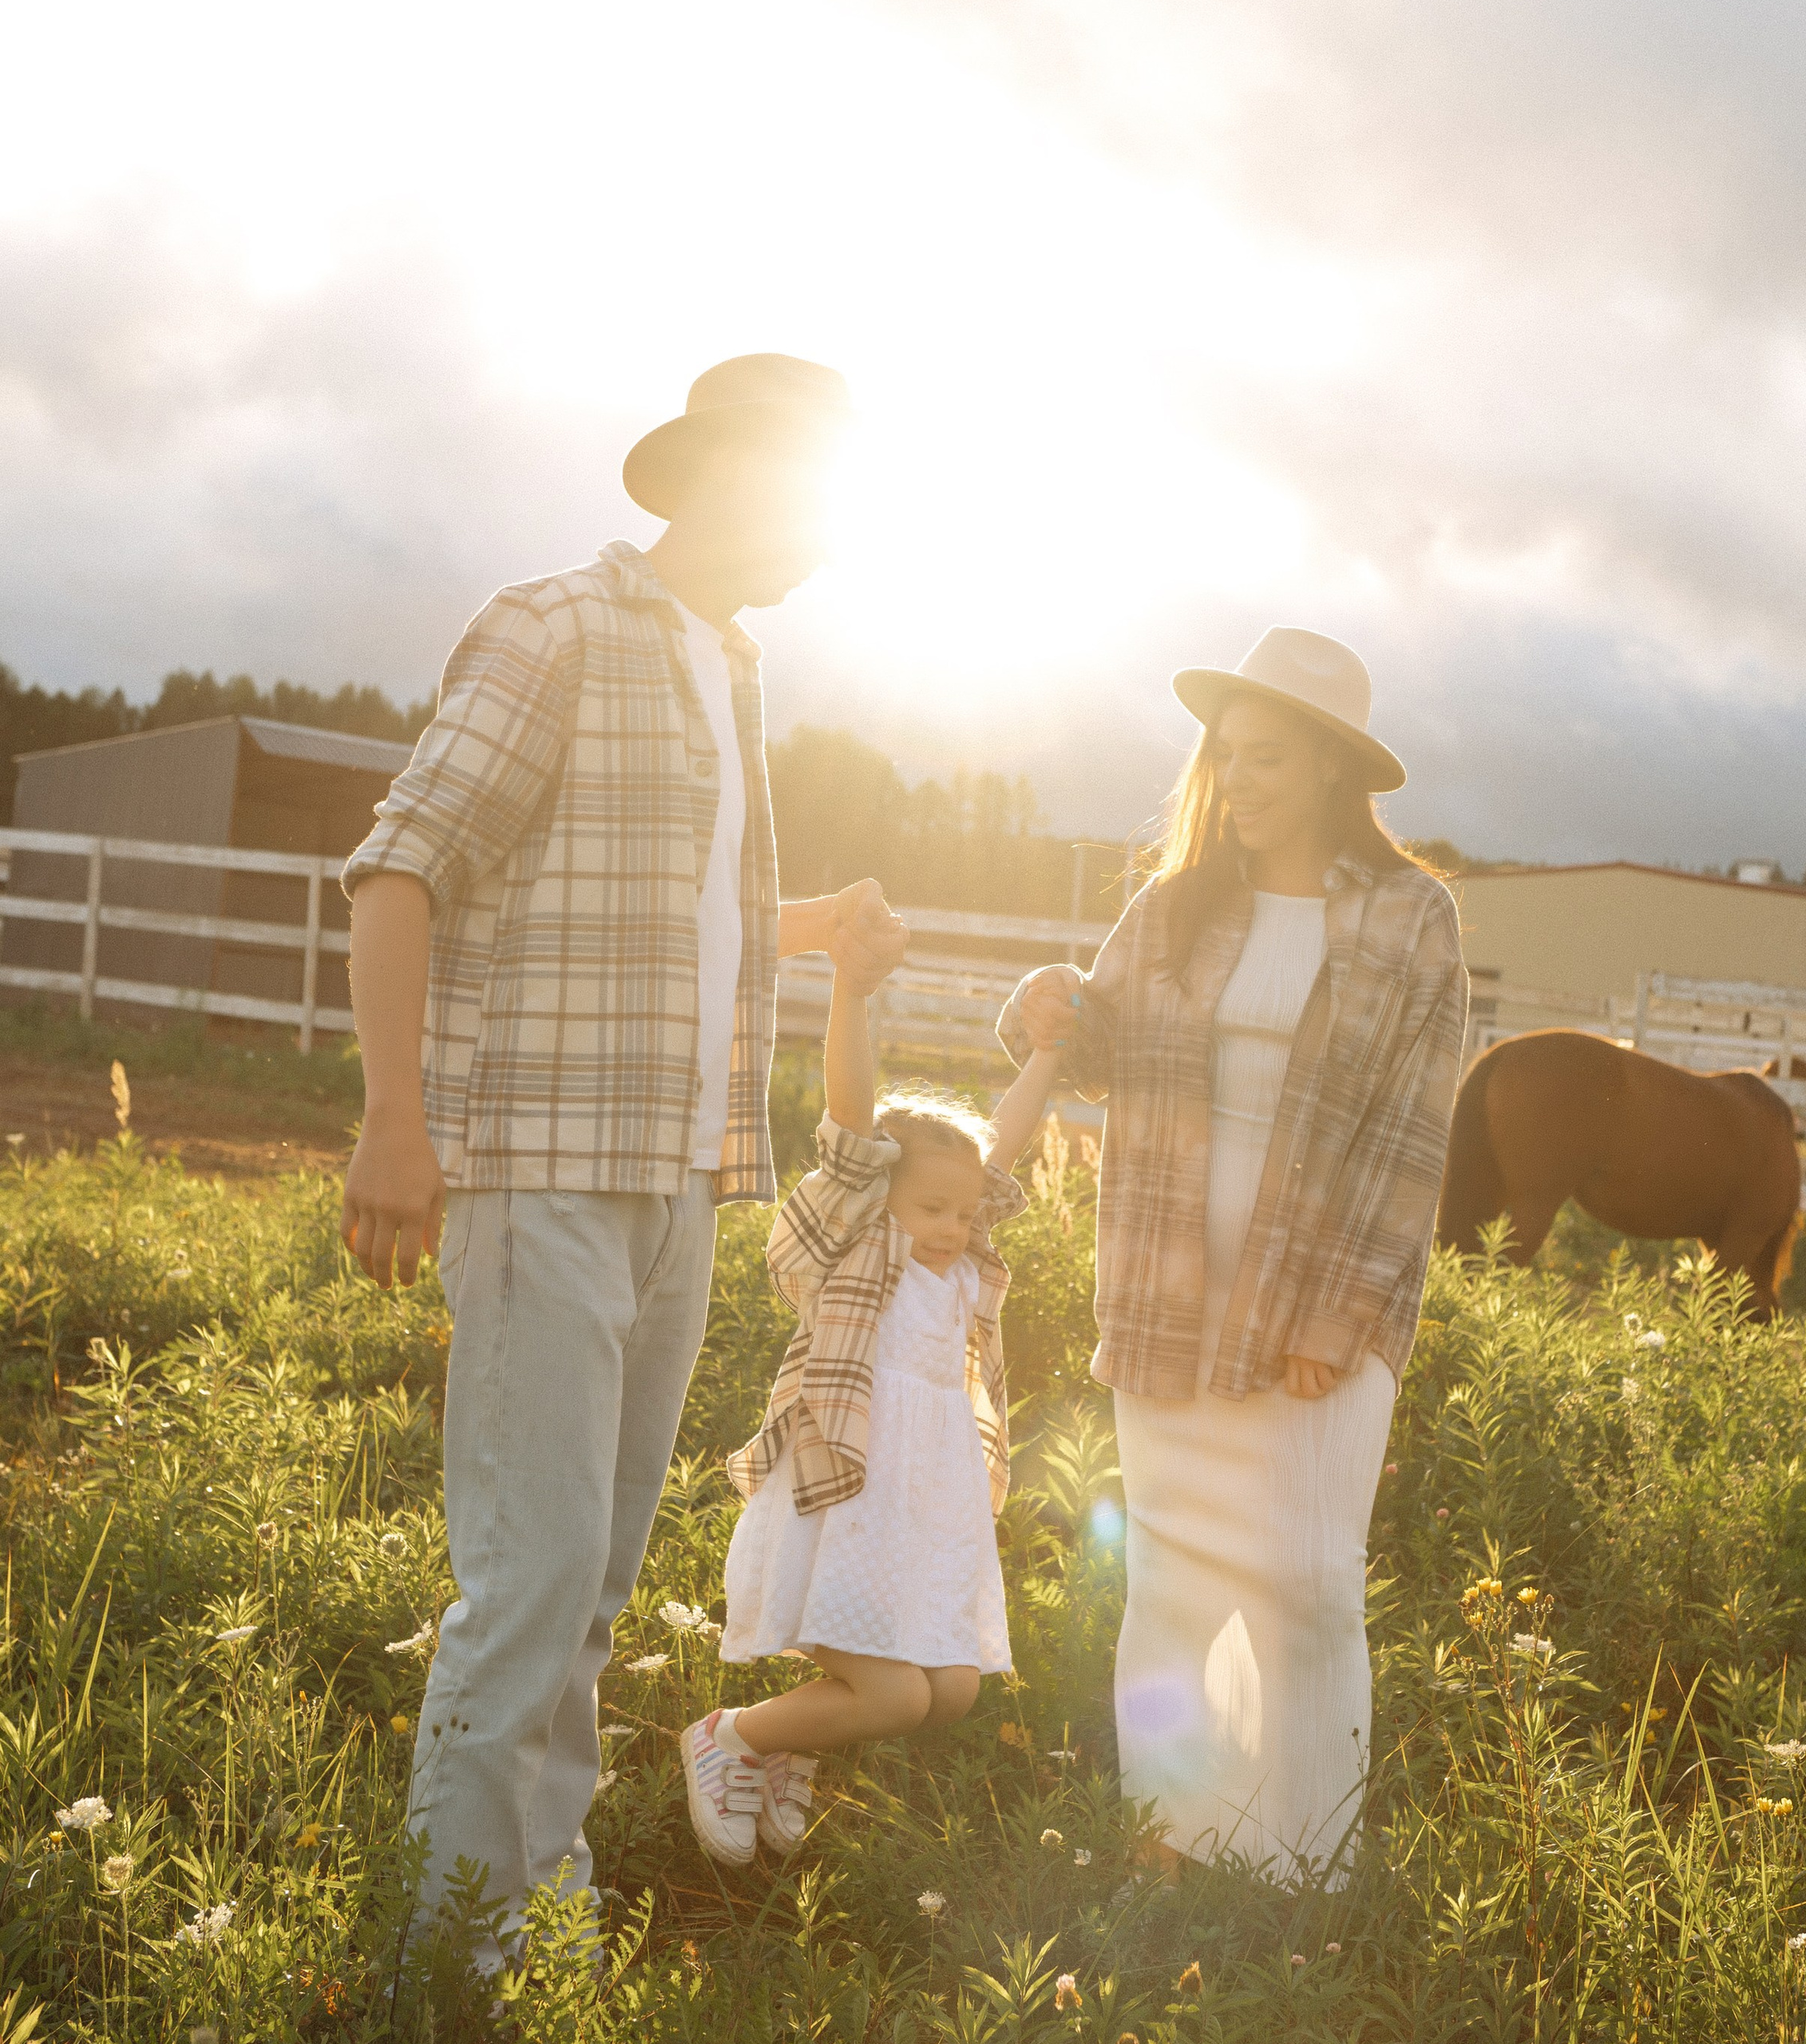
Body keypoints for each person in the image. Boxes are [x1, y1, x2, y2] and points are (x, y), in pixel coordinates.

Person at [337, 355, 909, 1959]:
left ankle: (539, 1902)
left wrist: (812, 928)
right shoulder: (558, 627)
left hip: (678, 1180)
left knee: (589, 1580)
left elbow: (664, 907)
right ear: (726, 473)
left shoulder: (728, 664)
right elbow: (401, 867)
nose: (824, 541)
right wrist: (398, 1118)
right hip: (536, 1167)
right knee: (526, 1582)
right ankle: (453, 1951)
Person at [1004, 627, 1468, 1881]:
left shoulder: (1413, 919)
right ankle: (1182, 1839)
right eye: (1227, 754)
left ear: (1331, 769)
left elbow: (1415, 1131)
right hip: (1168, 1282)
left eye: (1268, 757)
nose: (1239, 778)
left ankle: (1308, 1865)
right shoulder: (1176, 905)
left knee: (1308, 1582)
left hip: (1322, 1295)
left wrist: (1344, 1310)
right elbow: (1094, 1041)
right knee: (1172, 1574)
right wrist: (1041, 1003)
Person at [684, 941, 1063, 1865]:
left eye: (964, 1212)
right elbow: (851, 1117)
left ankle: (791, 1739)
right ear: (880, 1196)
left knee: (953, 1688)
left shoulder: (966, 1270)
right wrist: (852, 988)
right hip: (845, 1495)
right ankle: (729, 1737)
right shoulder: (862, 1247)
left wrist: (1050, 1050)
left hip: (921, 1513)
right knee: (895, 1697)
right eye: (932, 1207)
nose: (952, 1226)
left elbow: (998, 1145)